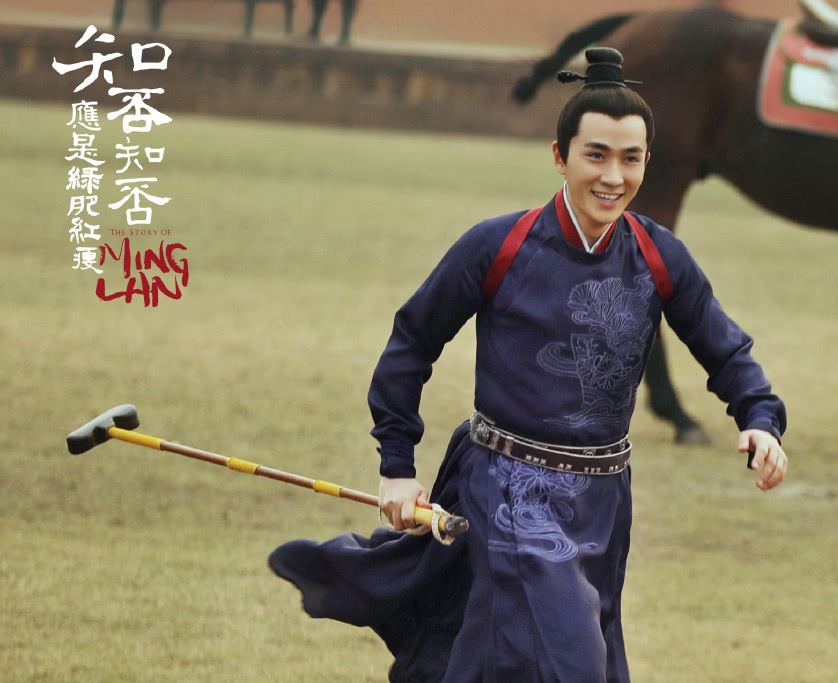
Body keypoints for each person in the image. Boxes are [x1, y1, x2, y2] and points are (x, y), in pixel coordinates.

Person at [269, 47, 788, 683]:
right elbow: (411, 343)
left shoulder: (660, 256)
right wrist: (397, 467)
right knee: (572, 665)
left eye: (631, 159)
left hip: (604, 501)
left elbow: (725, 349)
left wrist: (760, 418)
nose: (613, 176)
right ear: (560, 156)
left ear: (647, 161)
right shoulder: (498, 245)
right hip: (506, 489)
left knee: (530, 659)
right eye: (596, 155)